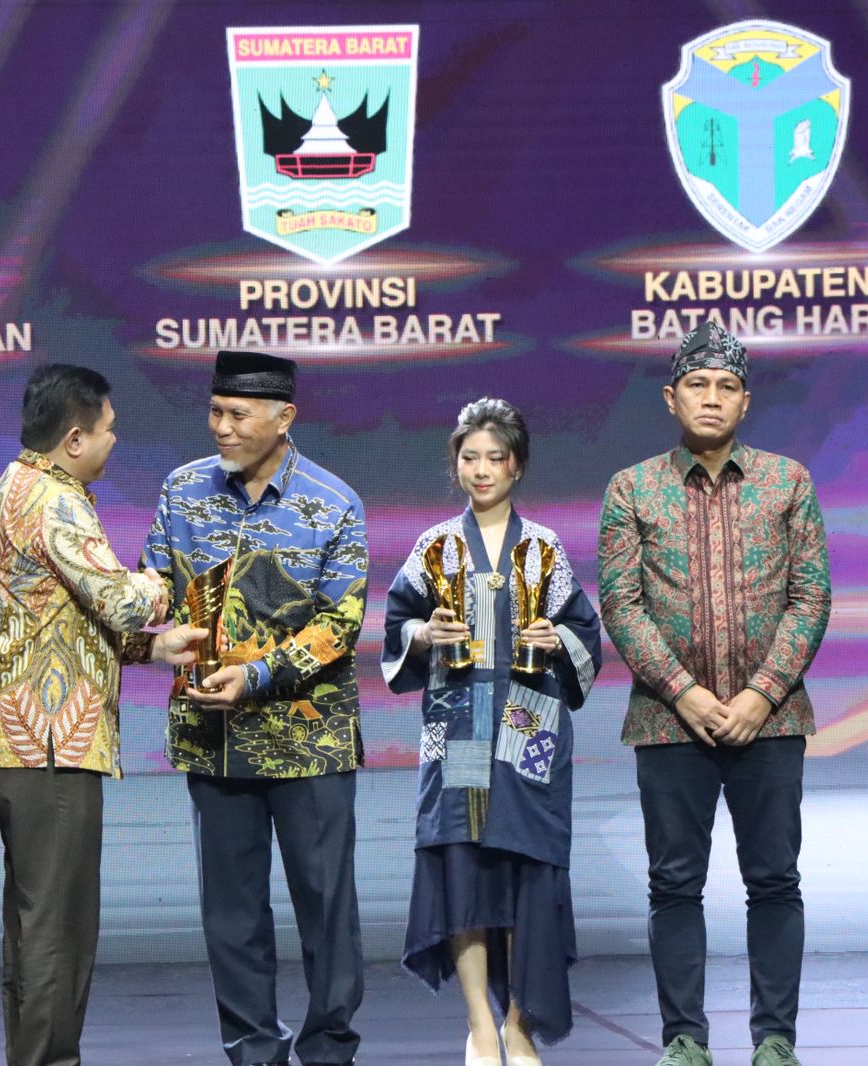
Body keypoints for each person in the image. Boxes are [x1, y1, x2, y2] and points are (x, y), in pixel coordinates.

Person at [598, 324, 831, 1066]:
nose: (711, 397)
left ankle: (775, 1040)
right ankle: (685, 1040)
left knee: (775, 881)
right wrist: (685, 693)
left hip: (773, 720)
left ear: (745, 401)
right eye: (697, 385)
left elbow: (811, 598)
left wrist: (762, 694)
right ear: (671, 398)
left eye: (726, 387)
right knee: (674, 885)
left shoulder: (787, 481)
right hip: (669, 723)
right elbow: (621, 605)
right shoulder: (632, 488)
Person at [0, 364, 206, 1066]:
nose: (113, 441)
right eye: (107, 430)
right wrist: (161, 581)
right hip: (48, 742)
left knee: (35, 922)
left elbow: (57, 615)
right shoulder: (56, 500)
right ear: (74, 438)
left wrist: (153, 650)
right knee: (58, 925)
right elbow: (121, 600)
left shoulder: (14, 485)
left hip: (18, 738)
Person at [140, 350, 368, 1066]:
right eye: (215, 411)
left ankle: (328, 1049)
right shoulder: (183, 491)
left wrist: (260, 674)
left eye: (237, 414)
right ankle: (252, 1051)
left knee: (325, 906)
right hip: (213, 738)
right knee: (231, 915)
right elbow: (152, 585)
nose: (222, 427)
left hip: (308, 744)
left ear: (284, 417)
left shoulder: (334, 502)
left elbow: (340, 623)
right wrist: (145, 627)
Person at [381, 398, 600, 1066]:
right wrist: (424, 633)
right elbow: (396, 624)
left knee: (526, 868)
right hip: (458, 722)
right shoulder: (435, 547)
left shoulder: (544, 548)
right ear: (456, 464)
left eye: (494, 458)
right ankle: (479, 1024)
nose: (481, 470)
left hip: (528, 722)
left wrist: (556, 639)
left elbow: (583, 629)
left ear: (517, 466)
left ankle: (518, 1023)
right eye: (469, 457)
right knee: (463, 866)